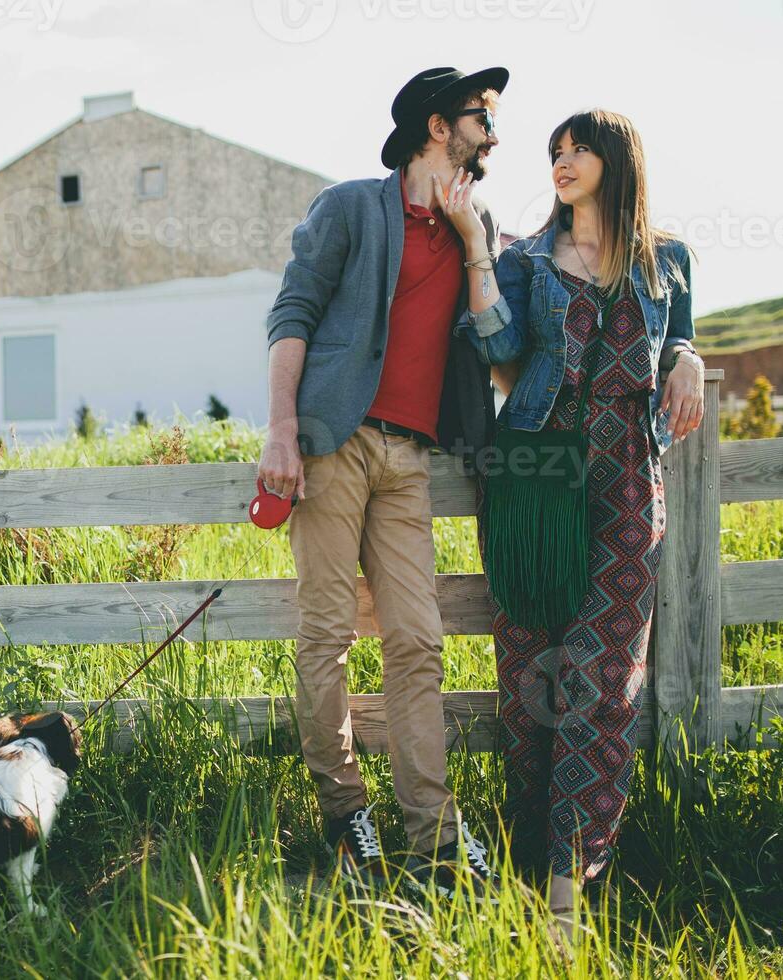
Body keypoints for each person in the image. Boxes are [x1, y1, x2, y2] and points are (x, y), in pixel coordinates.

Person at [445, 108, 705, 940]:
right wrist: (479, 254)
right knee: (532, 678)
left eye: (577, 149)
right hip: (533, 470)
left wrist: (691, 358)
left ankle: (568, 887)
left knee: (600, 679)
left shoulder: (669, 259)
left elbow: (681, 343)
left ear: (616, 159)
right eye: (553, 151)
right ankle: (529, 862)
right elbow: (497, 347)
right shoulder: (525, 259)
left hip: (629, 472)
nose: (560, 161)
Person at [259, 66, 513, 897]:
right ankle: (346, 818)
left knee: (418, 643)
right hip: (333, 444)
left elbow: (496, 345)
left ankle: (434, 837)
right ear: (439, 126)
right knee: (327, 635)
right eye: (484, 116)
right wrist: (283, 430)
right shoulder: (350, 209)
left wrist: (477, 246)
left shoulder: (483, 226)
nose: (495, 132)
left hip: (411, 459)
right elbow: (292, 312)